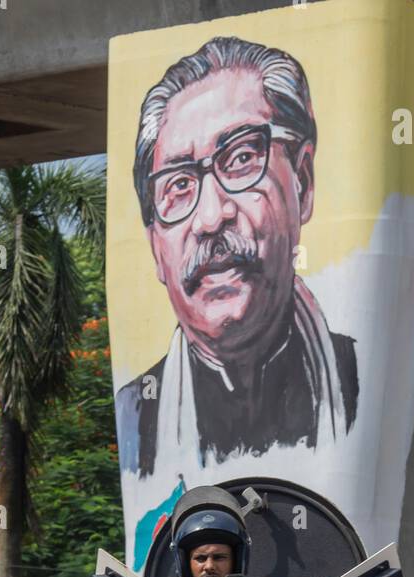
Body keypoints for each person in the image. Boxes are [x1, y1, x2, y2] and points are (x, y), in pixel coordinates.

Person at [116, 35, 359, 481]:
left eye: (242, 158)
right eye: (178, 185)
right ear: (154, 244)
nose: (211, 217)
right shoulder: (134, 422)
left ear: (302, 181)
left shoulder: (371, 388)